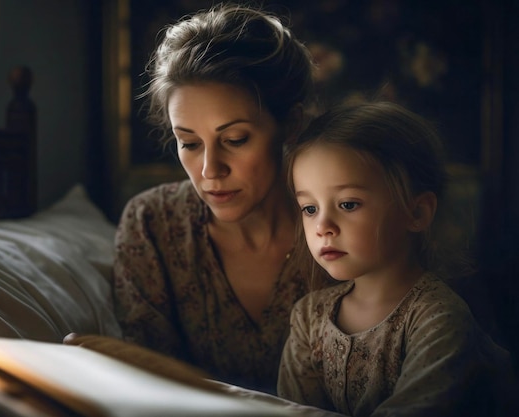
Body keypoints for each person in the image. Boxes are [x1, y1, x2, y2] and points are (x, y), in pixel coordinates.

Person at [66, 3, 317, 394]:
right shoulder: (153, 224)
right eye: (189, 143)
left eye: (235, 140)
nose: (209, 170)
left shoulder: (341, 224)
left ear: (290, 124)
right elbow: (149, 388)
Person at [277, 101, 516, 416]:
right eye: (310, 208)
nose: (322, 227)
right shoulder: (309, 317)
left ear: (416, 212)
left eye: (348, 204)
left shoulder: (437, 319)